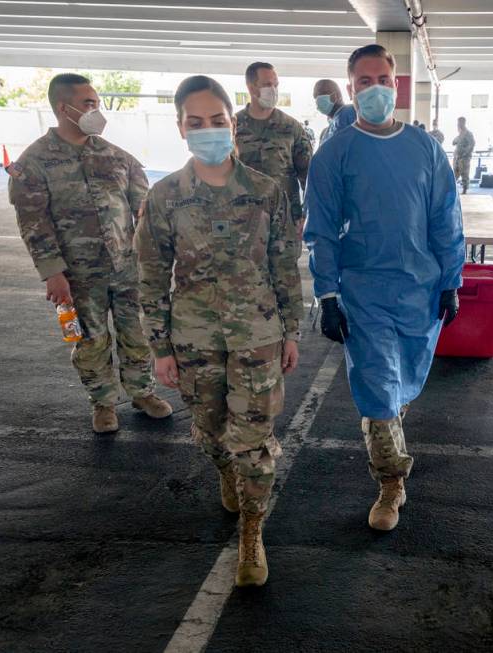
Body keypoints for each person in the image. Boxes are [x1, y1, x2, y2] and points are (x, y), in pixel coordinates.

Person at [135, 75, 303, 588]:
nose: (208, 130)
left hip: (257, 337)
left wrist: (291, 331)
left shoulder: (265, 190)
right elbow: (149, 275)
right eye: (196, 122)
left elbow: (283, 265)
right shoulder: (164, 197)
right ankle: (225, 472)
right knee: (210, 433)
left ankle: (252, 533)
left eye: (217, 121)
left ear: (233, 124)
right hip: (195, 339)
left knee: (253, 441)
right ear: (181, 128)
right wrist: (160, 348)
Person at [304, 44, 465, 532]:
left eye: (384, 80)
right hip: (363, 291)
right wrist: (327, 295)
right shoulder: (334, 154)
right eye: (364, 81)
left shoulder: (425, 149)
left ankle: (389, 429)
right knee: (377, 390)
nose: (375, 89)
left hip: (421, 289)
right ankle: (391, 482)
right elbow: (323, 230)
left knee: (405, 383)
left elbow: (445, 218)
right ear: (350, 88)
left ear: (397, 85)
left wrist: (451, 280)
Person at [8, 73, 172, 434]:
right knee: (89, 339)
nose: (95, 110)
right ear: (61, 108)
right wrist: (52, 272)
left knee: (137, 334)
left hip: (127, 269)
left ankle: (142, 392)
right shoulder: (33, 163)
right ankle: (102, 402)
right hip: (76, 275)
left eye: (96, 103)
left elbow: (144, 211)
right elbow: (33, 222)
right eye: (88, 104)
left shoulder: (116, 157)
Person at [234, 62, 311, 234]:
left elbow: (308, 175)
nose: (274, 90)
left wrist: (307, 213)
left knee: (285, 262)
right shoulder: (233, 126)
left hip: (285, 220)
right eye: (268, 85)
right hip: (243, 221)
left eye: (276, 85)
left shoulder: (291, 127)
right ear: (251, 88)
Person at [314, 78, 357, 145]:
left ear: (335, 96)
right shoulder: (329, 129)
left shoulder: (350, 113)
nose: (317, 99)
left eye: (320, 94)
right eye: (315, 96)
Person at [452, 116, 476, 194]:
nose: (458, 124)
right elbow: (454, 142)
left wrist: (465, 154)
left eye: (459, 123)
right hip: (457, 158)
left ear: (463, 123)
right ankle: (452, 190)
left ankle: (464, 190)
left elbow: (471, 144)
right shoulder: (460, 134)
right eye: (458, 123)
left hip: (464, 159)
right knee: (454, 175)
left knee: (464, 174)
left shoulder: (468, 133)